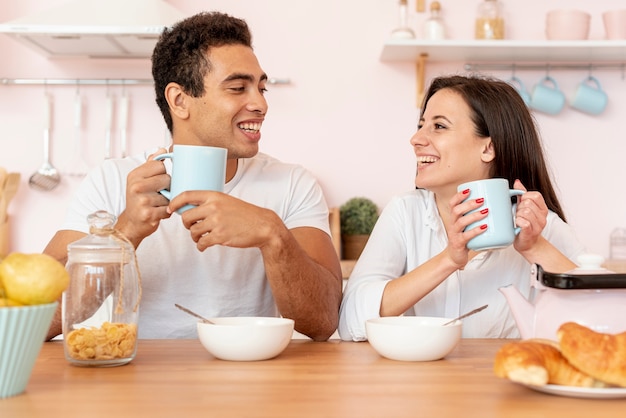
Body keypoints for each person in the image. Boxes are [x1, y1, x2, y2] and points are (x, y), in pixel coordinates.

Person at [44, 12, 342, 341]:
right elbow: (37, 318)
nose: (260, 104)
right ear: (180, 100)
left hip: (253, 382)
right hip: (137, 384)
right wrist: (124, 233)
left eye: (261, 87)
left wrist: (273, 235)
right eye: (238, 88)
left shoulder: (292, 184)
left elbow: (324, 322)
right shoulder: (112, 180)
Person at [338, 74, 585, 340]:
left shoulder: (538, 225)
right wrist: (448, 260)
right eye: (421, 125)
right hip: (421, 380)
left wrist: (535, 248)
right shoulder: (405, 213)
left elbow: (610, 319)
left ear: (488, 148)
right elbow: (350, 321)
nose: (416, 139)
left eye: (439, 126)